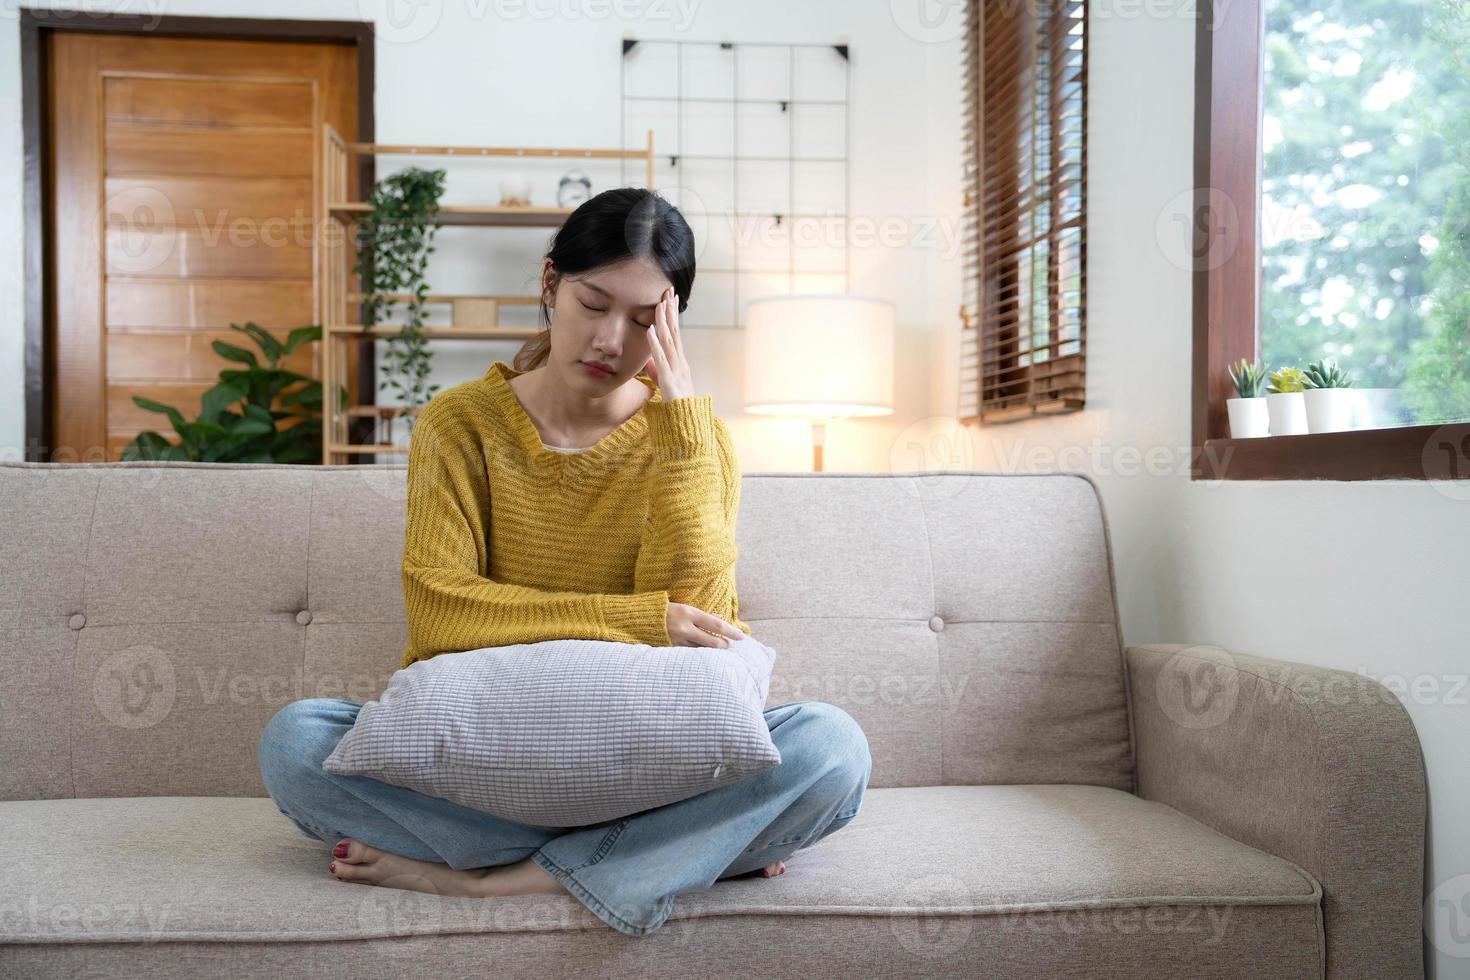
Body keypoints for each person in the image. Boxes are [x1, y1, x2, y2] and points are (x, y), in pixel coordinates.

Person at [258, 188, 871, 938]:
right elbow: (443, 614)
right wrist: (636, 619)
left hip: (648, 769)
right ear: (550, 285)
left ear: (672, 325)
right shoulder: (459, 424)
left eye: (645, 320)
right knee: (295, 743)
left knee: (832, 749)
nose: (612, 339)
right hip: (487, 761)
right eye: (593, 303)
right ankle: (673, 855)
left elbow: (707, 638)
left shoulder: (694, 441)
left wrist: (680, 433)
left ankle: (496, 881)